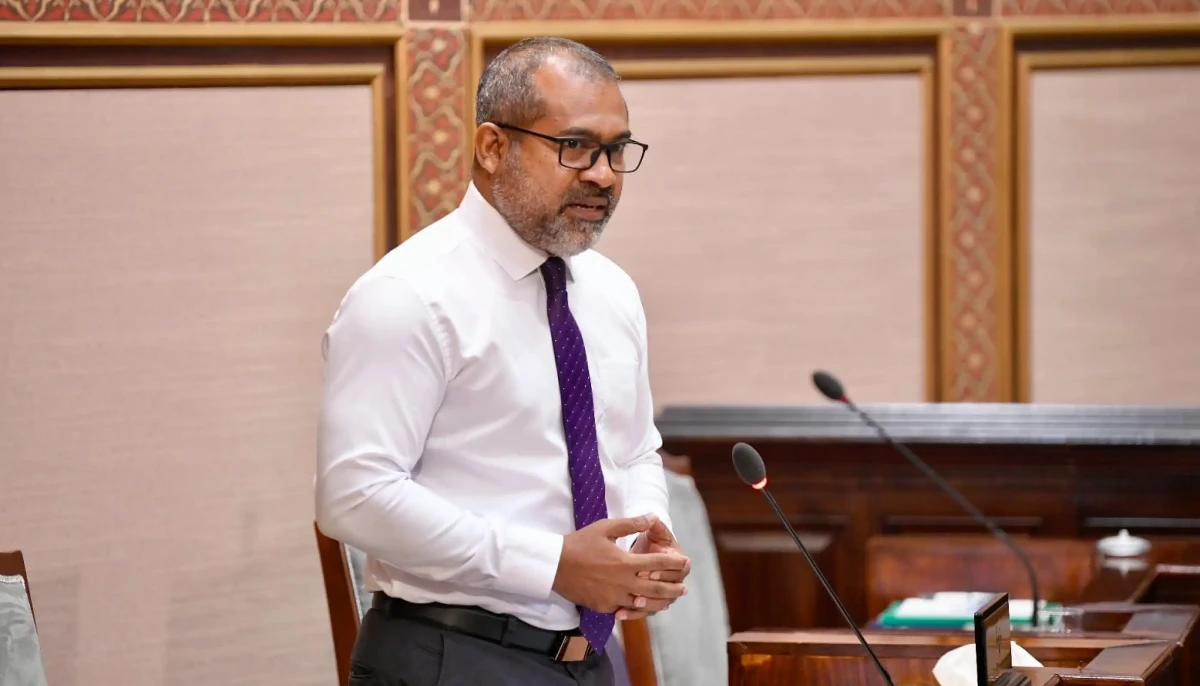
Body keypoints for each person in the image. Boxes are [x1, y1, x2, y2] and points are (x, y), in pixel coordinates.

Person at [315, 36, 691, 686]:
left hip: (590, 662)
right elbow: (354, 495)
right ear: (492, 148)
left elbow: (634, 451)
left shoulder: (611, 292)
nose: (602, 175)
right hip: (451, 657)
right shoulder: (408, 296)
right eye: (574, 146)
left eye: (616, 150)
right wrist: (551, 564)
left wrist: (642, 543)